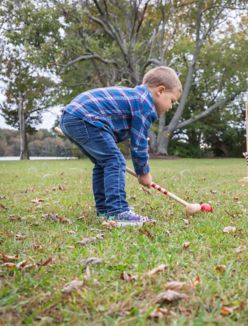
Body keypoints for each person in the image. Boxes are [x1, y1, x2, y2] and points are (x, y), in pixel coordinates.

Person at [60, 66, 182, 226]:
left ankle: (105, 210)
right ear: (160, 91)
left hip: (73, 117)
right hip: (84, 117)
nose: (171, 106)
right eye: (172, 100)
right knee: (115, 161)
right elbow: (138, 143)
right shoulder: (144, 104)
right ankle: (118, 211)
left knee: (103, 163)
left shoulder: (136, 97)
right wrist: (143, 172)